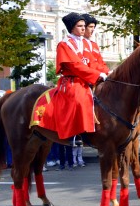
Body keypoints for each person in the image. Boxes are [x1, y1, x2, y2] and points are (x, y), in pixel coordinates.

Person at [38, 12, 107, 140]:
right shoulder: (64, 44)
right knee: (79, 98)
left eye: (84, 26)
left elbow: (93, 62)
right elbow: (75, 66)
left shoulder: (86, 43)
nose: (83, 28)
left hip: (87, 79)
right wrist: (97, 74)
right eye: (80, 26)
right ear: (71, 28)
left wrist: (106, 73)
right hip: (72, 81)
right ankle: (74, 134)